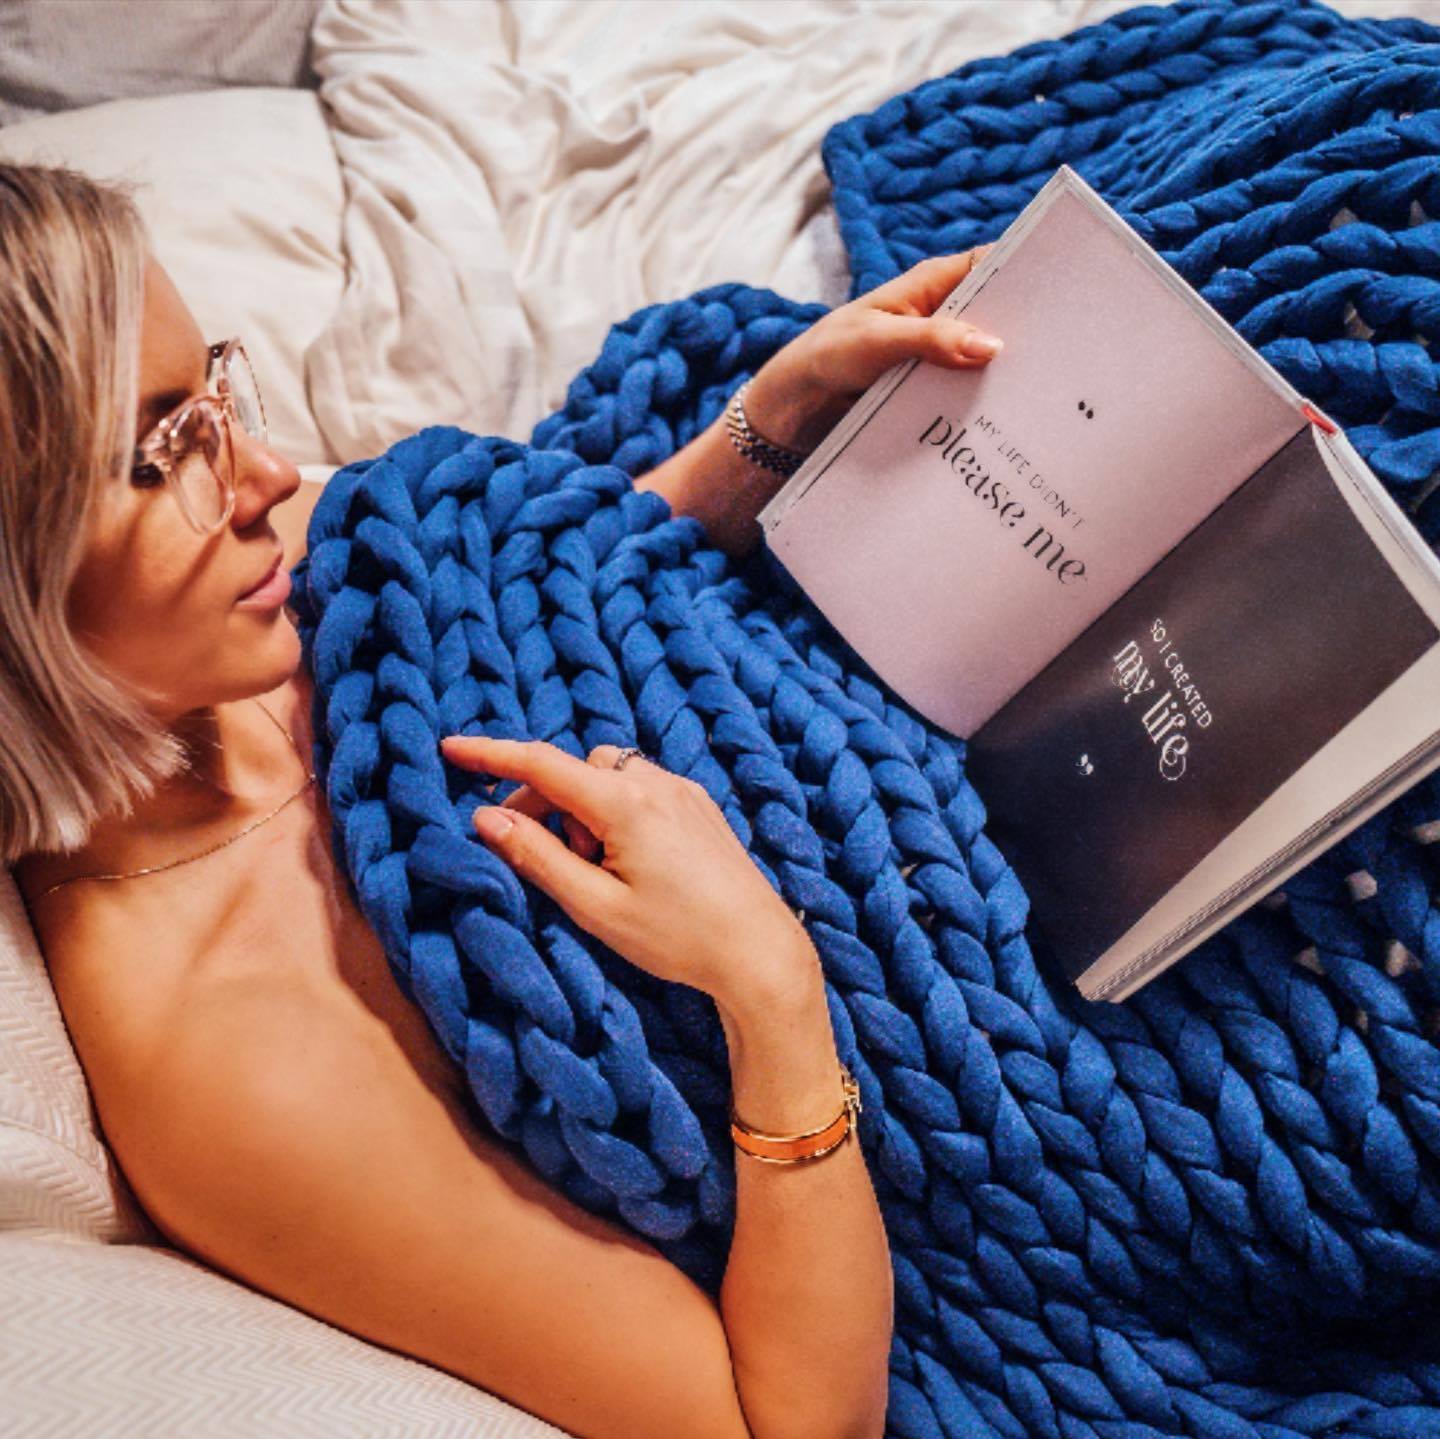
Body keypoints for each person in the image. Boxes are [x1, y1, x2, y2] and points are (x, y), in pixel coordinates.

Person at [3, 161, 1001, 1439]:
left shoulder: (247, 601)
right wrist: (768, 986)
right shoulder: (229, 1062)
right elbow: (787, 1421)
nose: (262, 470)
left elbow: (532, 594)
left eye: (216, 391)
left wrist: (772, 421)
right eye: (166, 451)